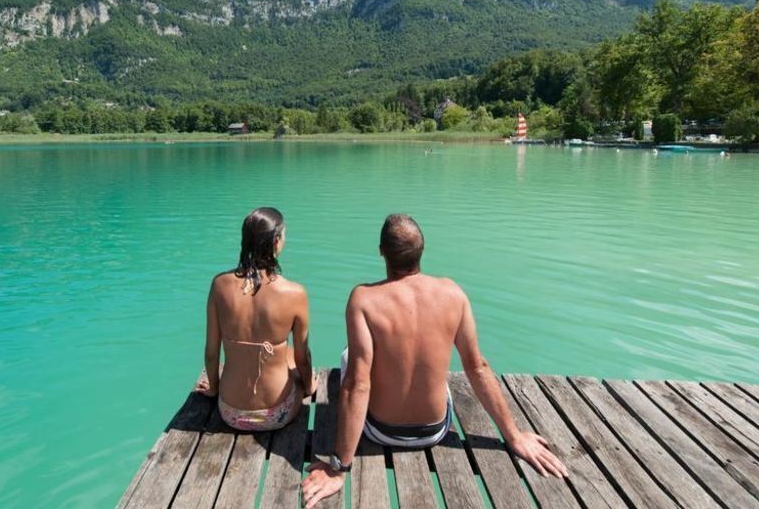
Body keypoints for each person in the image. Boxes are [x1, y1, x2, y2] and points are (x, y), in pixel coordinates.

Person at [302, 214, 567, 507]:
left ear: (381, 251)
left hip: (380, 431)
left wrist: (339, 468)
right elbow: (477, 367)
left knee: (350, 357)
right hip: (435, 431)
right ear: (422, 251)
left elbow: (357, 385)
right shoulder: (452, 293)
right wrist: (514, 437)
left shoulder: (363, 299)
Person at [197, 207, 316, 431]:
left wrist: (213, 389)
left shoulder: (219, 285)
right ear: (276, 242)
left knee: (284, 353)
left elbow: (212, 353)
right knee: (291, 356)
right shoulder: (295, 293)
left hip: (230, 412)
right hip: (276, 413)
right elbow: (302, 358)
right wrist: (308, 387)